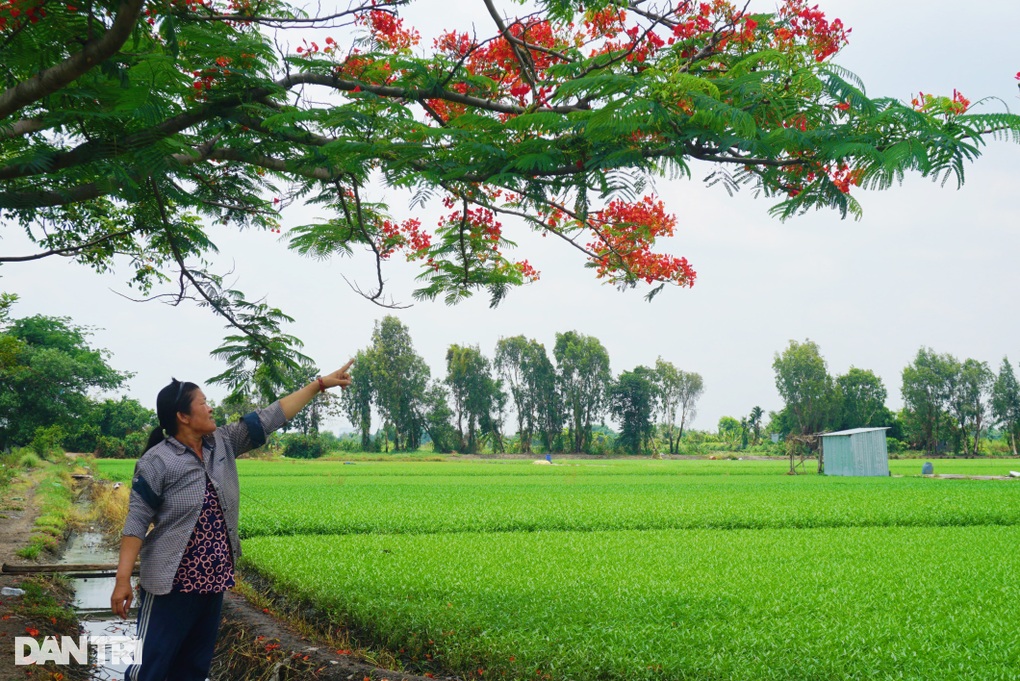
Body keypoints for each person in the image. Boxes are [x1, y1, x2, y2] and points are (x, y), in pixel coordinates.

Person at [110, 361, 353, 681]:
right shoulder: (157, 462)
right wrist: (122, 580)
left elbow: (271, 416)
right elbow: (136, 522)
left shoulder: (222, 443)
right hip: (170, 584)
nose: (211, 409)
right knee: (151, 666)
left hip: (213, 581)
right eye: (204, 403)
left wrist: (319, 385)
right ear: (183, 417)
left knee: (193, 668)